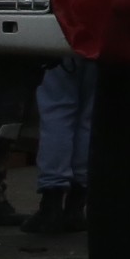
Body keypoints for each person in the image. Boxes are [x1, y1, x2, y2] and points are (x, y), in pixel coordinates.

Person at [25, 57, 96, 235]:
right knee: (89, 117)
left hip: (62, 40)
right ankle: (76, 206)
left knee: (56, 111)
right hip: (98, 42)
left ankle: (51, 204)